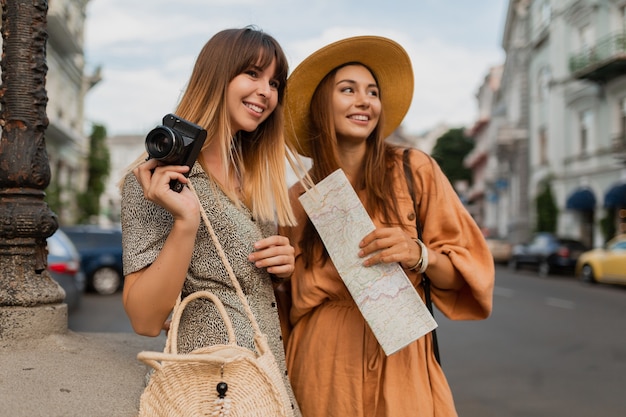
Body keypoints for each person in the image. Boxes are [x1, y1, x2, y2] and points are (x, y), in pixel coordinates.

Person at [278, 36, 495, 417]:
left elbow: (467, 273)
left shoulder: (415, 170)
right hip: (322, 362)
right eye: (348, 90)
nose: (365, 101)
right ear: (320, 105)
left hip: (402, 355)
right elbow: (278, 302)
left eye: (373, 92)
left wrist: (420, 255)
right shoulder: (297, 198)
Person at [120, 26, 301, 415]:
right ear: (217, 75)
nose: (266, 92)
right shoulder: (157, 176)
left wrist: (282, 267)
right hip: (212, 391)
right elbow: (144, 319)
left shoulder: (253, 179)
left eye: (275, 82)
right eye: (252, 74)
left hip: (266, 384)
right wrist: (186, 223)